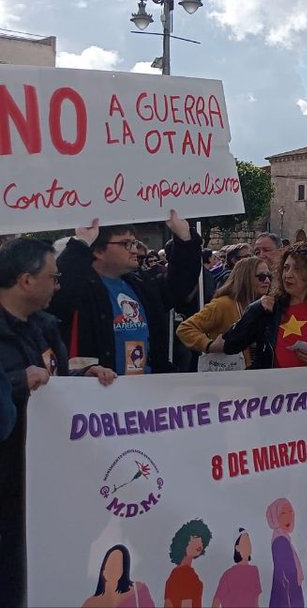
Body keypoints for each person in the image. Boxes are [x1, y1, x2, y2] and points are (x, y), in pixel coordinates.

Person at [0, 238, 117, 606]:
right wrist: (18, 382)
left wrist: (82, 380)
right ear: (26, 280)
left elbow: (53, 382)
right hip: (8, 484)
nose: (58, 286)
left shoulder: (43, 327)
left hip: (43, 481)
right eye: (53, 277)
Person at [49, 211, 200, 375]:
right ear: (98, 251)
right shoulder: (81, 289)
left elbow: (179, 287)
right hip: (102, 386)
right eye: (126, 244)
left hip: (148, 384)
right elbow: (58, 295)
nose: (134, 250)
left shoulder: (140, 284)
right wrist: (81, 244)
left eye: (134, 243)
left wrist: (185, 238)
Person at [221, 243, 307, 369]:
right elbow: (230, 346)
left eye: (297, 269)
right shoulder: (268, 307)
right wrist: (255, 311)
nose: (288, 275)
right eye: (285, 268)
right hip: (271, 383)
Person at [176, 257, 270, 370]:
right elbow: (185, 328)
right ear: (245, 278)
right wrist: (209, 345)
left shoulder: (264, 305)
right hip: (227, 372)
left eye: (269, 276)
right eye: (261, 277)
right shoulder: (222, 304)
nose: (267, 281)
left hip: (255, 372)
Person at [82, 545, 154, 608]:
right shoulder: (90, 603)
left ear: (124, 570)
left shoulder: (139, 590)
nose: (112, 568)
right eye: (110, 563)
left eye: (116, 564)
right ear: (103, 569)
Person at [164, 519, 211, 608]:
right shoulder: (187, 574)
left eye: (202, 541)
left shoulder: (174, 574)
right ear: (184, 540)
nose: (200, 543)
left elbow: (168, 604)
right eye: (196, 537)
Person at [265, 498, 303, 607]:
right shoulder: (280, 542)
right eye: (283, 513)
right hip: (287, 599)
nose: (289, 517)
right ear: (275, 517)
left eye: (290, 512)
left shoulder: (282, 539)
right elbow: (288, 577)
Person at [213, 529, 263, 608]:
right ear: (237, 548)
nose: (248, 545)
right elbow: (216, 601)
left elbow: (256, 602)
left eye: (249, 542)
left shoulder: (254, 571)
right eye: (245, 542)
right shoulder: (228, 575)